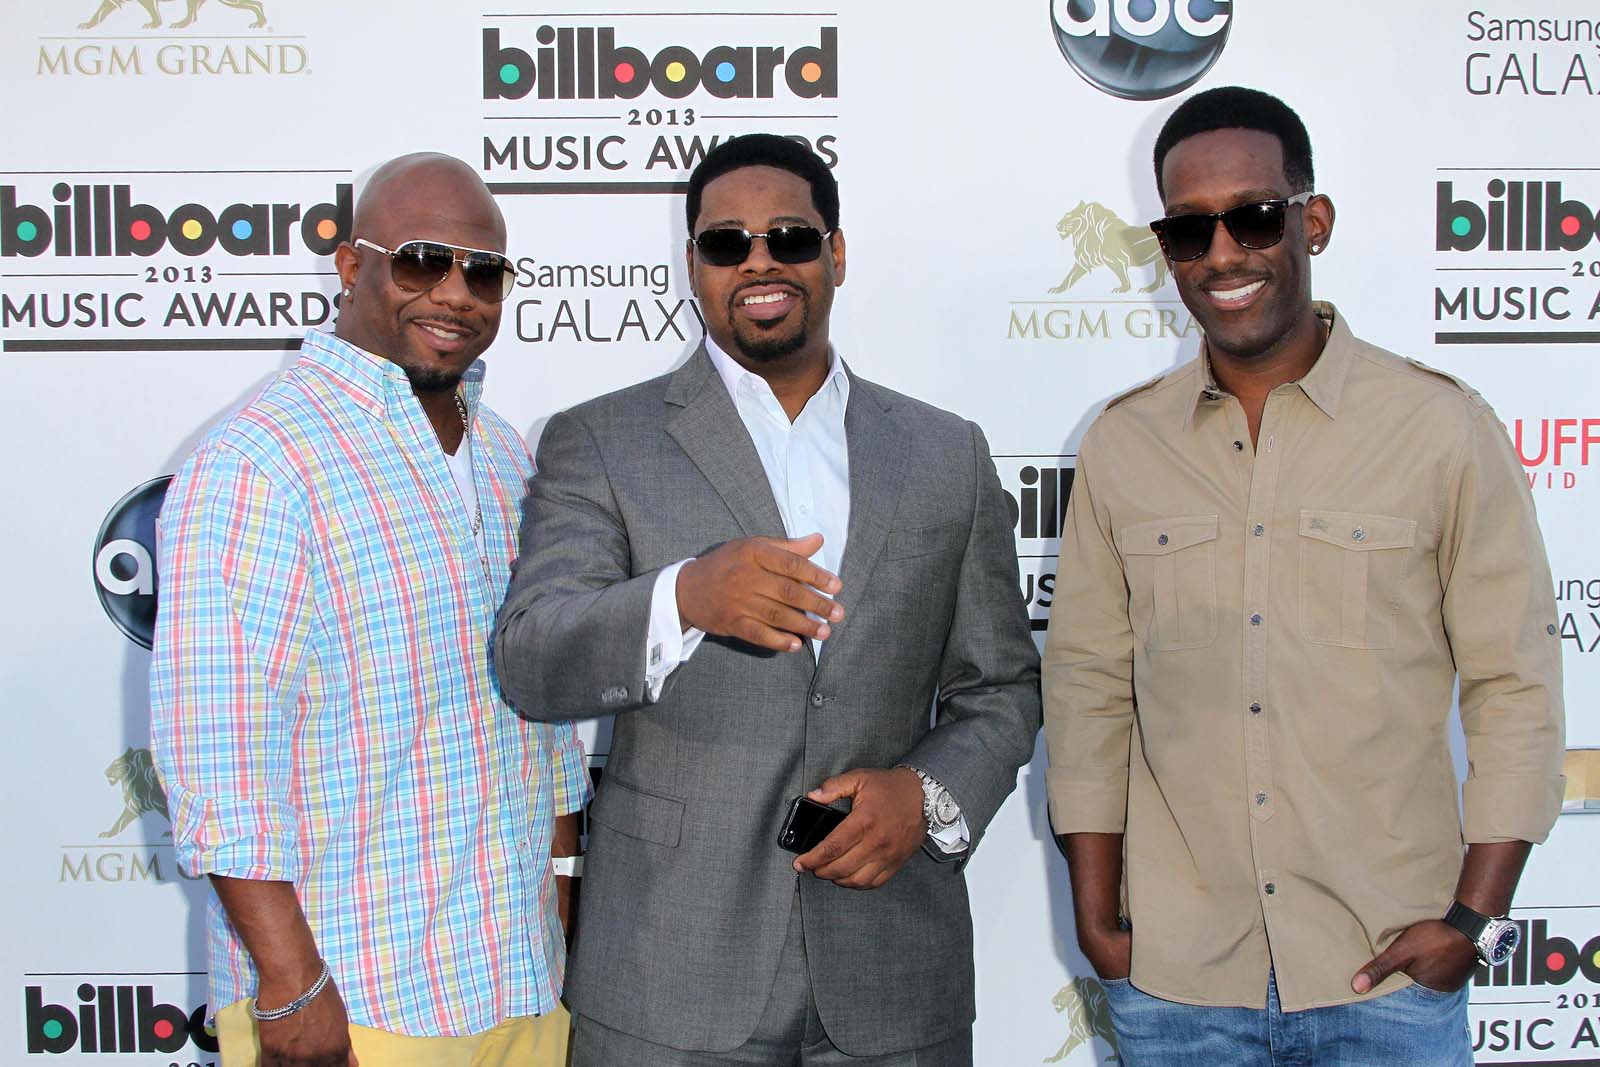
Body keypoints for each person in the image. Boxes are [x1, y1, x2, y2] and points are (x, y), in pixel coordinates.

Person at [1042, 85, 1566, 1065]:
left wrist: (1473, 918)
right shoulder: (1122, 445)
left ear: (1310, 221)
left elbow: (1513, 680)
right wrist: (1095, 913)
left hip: (1388, 968)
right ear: (1164, 251)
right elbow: (1085, 686)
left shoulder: (1439, 425)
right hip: (1177, 977)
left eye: (1252, 216)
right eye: (1189, 231)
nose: (1223, 253)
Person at [493, 133, 1041, 1066]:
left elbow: (1003, 687)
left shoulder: (945, 451)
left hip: (895, 967)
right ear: (694, 266)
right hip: (668, 969)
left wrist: (927, 793)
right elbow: (535, 659)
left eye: (788, 237)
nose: (757, 261)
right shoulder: (601, 439)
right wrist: (684, 597)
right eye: (724, 243)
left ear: (835, 253)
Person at [149, 152, 588, 1067]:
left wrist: (561, 901)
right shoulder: (260, 461)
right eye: (424, 260)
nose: (457, 293)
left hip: (517, 984)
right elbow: (221, 758)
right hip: (355, 1006)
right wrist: (291, 988)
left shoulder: (507, 456)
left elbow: (544, 727)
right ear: (355, 267)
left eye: (484, 271)